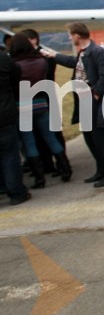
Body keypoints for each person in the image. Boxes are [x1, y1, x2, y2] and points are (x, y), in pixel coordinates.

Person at [41, 23, 104, 188]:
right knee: (90, 137)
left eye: (70, 34)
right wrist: (54, 56)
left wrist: (96, 94)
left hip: (96, 101)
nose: (69, 38)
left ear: (77, 35)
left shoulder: (97, 52)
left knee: (101, 138)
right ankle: (101, 170)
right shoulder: (84, 53)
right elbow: (74, 63)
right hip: (85, 100)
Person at [8, 33, 72, 186]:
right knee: (50, 137)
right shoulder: (41, 61)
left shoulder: (14, 65)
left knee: (29, 142)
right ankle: (65, 168)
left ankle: (39, 177)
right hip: (41, 103)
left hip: (22, 106)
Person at [20, 28, 67, 177]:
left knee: (54, 132)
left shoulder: (45, 55)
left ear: (34, 40)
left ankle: (62, 165)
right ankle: (47, 165)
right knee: (39, 134)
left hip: (47, 96)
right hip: (37, 99)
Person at [0, 47, 31, 205]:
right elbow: (15, 79)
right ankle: (17, 192)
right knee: (10, 156)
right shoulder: (4, 59)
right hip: (5, 116)